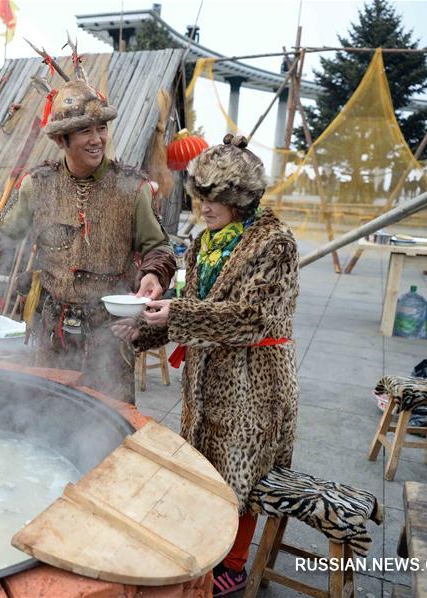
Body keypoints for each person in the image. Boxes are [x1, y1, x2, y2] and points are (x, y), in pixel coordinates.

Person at [112, 135, 300, 596]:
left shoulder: (275, 244)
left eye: (216, 199)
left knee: (245, 471)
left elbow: (251, 318)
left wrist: (175, 314)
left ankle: (234, 563)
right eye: (201, 198)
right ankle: (206, 547)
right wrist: (144, 330)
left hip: (254, 380)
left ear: (242, 198)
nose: (205, 209)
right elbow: (195, 307)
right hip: (205, 377)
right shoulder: (205, 242)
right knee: (206, 466)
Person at [0, 77, 175, 404]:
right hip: (53, 331)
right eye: (86, 130)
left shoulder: (132, 187)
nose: (97, 139)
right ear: (62, 139)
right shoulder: (37, 185)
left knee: (110, 424)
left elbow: (160, 248)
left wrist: (154, 274)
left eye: (101, 128)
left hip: (110, 333)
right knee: (49, 417)